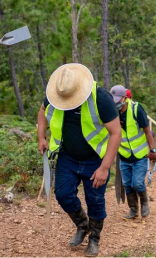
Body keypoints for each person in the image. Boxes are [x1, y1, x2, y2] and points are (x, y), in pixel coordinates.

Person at [37, 64, 122, 258]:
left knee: (95, 200)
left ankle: (95, 238)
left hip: (95, 159)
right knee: (63, 194)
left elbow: (116, 133)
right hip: (68, 156)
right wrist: (41, 137)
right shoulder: (56, 94)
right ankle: (82, 225)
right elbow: (43, 111)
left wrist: (104, 167)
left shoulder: (101, 99)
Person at [110, 85, 156, 219]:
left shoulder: (136, 109)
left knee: (137, 183)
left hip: (140, 155)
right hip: (124, 156)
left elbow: (147, 131)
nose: (115, 103)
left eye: (118, 101)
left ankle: (144, 203)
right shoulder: (112, 112)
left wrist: (152, 150)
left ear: (125, 98)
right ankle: (133, 210)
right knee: (127, 185)